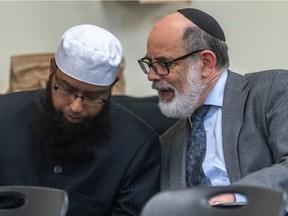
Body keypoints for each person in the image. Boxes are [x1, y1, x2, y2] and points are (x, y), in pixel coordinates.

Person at [0, 24, 160, 215]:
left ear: (112, 86)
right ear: (52, 70)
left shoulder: (137, 146)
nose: (76, 107)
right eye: (67, 89)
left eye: (93, 97)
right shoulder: (4, 115)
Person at [138, 7, 288, 205]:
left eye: (164, 63)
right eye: (150, 63)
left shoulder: (270, 90)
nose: (152, 75)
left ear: (206, 63)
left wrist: (236, 196)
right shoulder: (167, 143)